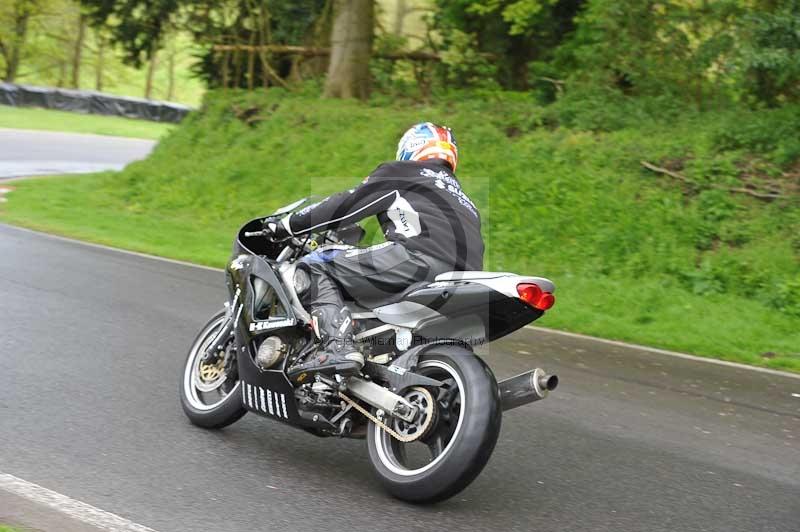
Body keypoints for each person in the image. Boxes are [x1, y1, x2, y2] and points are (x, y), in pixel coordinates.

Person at [265, 122, 484, 381]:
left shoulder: (403, 172)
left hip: (417, 261)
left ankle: (338, 348)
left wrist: (288, 225)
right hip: (464, 280)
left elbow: (346, 205)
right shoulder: (465, 200)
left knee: (316, 264)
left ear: (410, 148)